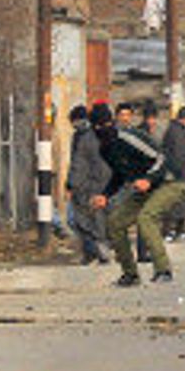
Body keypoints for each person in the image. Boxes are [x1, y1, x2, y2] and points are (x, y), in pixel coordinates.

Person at [92, 102, 185, 286]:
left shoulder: (128, 138)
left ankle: (163, 270)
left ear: (111, 123)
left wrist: (149, 179)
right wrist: (105, 195)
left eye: (105, 125)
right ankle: (130, 274)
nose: (102, 130)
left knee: (146, 218)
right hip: (145, 188)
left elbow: (161, 158)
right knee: (115, 223)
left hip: (170, 181)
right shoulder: (105, 149)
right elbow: (119, 175)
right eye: (97, 127)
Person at [66, 103, 113, 265]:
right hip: (110, 184)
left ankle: (96, 248)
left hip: (89, 185)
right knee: (101, 218)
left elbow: (78, 165)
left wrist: (71, 185)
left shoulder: (85, 138)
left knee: (79, 218)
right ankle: (100, 248)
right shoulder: (115, 135)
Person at [160, 105, 185, 241]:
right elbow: (178, 154)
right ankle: (169, 231)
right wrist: (180, 170)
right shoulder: (177, 132)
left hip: (178, 172)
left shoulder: (176, 130)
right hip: (177, 174)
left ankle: (180, 230)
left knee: (181, 204)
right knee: (174, 204)